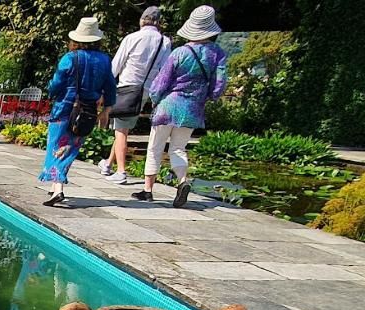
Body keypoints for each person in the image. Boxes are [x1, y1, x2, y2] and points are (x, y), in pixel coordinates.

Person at [134, 5, 228, 207]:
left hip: (169, 105)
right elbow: (219, 85)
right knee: (178, 148)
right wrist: (208, 96)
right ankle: (182, 181)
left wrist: (155, 99)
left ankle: (148, 190)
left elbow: (161, 83)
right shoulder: (217, 54)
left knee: (155, 147)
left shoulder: (180, 52)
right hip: (192, 108)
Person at [39, 17, 116, 207]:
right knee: (71, 147)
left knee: (56, 146)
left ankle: (58, 189)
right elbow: (111, 87)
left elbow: (56, 84)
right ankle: (57, 185)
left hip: (64, 109)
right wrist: (106, 110)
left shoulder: (70, 58)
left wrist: (51, 92)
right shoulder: (105, 60)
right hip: (87, 112)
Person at [100, 6, 170, 184]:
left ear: (142, 20)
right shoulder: (165, 42)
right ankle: (108, 164)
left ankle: (121, 172)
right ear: (158, 22)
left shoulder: (132, 38)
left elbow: (115, 66)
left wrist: (104, 88)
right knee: (122, 127)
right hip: (146, 89)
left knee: (121, 131)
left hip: (126, 87)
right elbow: (164, 70)